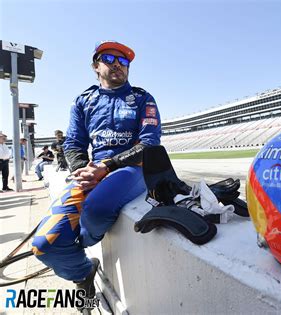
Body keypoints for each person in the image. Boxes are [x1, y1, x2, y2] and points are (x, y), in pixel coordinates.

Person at [31, 41, 161, 302]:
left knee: (96, 210)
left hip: (131, 169)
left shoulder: (143, 98)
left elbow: (149, 145)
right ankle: (83, 272)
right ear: (95, 65)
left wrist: (107, 166)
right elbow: (74, 144)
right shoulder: (84, 101)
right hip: (93, 172)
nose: (117, 64)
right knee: (43, 246)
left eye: (124, 61)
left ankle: (81, 243)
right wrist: (82, 170)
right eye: (110, 58)